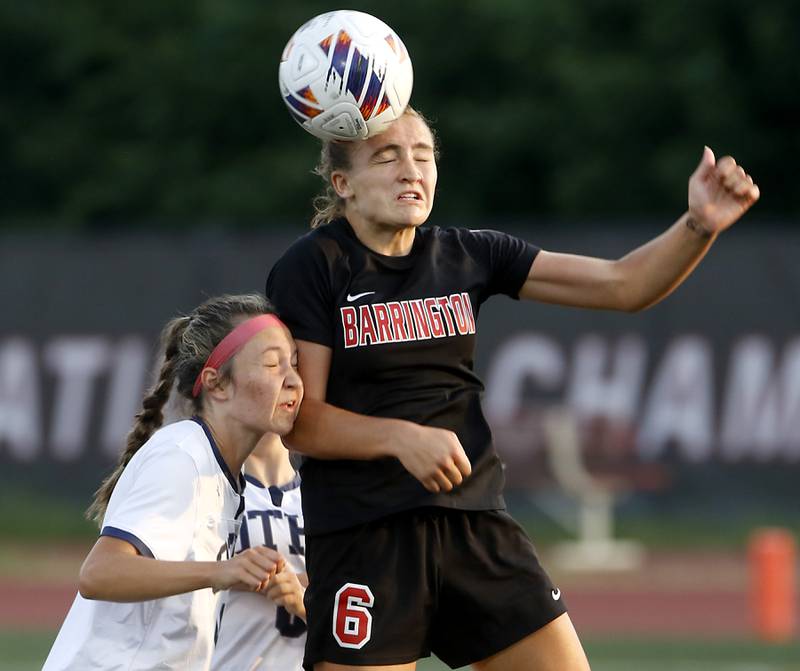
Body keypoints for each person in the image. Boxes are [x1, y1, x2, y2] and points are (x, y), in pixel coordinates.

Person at [265, 107, 759, 671]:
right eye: (388, 157)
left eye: (423, 155)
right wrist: (403, 439)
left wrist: (698, 225)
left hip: (476, 526)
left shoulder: (470, 253)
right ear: (343, 183)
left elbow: (624, 285)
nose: (412, 170)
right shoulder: (314, 265)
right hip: (367, 538)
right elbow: (299, 420)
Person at [43, 293, 303, 671]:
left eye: (294, 364)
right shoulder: (182, 456)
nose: (293, 380)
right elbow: (99, 573)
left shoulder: (220, 471)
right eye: (271, 364)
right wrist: (221, 572)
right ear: (217, 384)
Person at [211, 431, 308, 671]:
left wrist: (305, 601)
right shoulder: (210, 488)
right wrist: (222, 573)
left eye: (291, 388)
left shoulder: (325, 500)